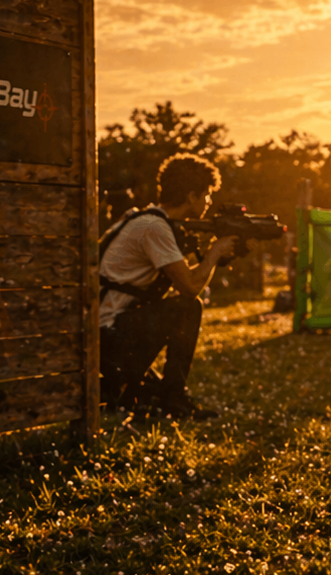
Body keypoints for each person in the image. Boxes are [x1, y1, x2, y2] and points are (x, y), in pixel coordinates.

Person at [97, 153, 237, 418]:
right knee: (187, 308)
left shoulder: (148, 220)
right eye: (206, 194)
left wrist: (218, 254)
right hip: (108, 333)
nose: (209, 201)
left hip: (107, 327)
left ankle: (159, 395)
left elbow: (183, 279)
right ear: (191, 196)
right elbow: (189, 289)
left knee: (146, 392)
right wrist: (215, 252)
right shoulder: (155, 228)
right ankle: (173, 398)